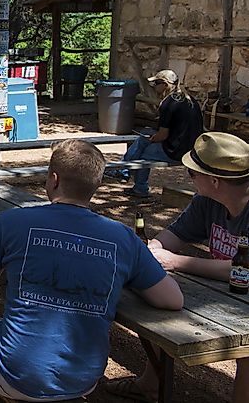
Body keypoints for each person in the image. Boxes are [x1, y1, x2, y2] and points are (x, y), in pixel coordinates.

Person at [0, 139, 183, 402]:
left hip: (15, 373)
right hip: (85, 378)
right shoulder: (123, 238)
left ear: (53, 180)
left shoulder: (12, 222)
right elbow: (173, 300)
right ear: (96, 185)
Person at [106, 131, 249, 403]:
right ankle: (151, 385)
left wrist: (176, 261)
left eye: (192, 173)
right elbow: (171, 238)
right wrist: (151, 252)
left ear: (214, 181)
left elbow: (243, 270)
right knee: (163, 305)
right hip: (230, 293)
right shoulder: (207, 201)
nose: (188, 176)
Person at [107, 69, 203, 198]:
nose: (154, 87)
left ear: (164, 84)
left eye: (156, 83)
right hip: (191, 148)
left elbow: (162, 135)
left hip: (175, 151)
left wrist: (152, 139)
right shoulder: (189, 100)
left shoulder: (168, 104)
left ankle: (135, 183)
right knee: (144, 135)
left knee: (142, 153)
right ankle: (123, 171)